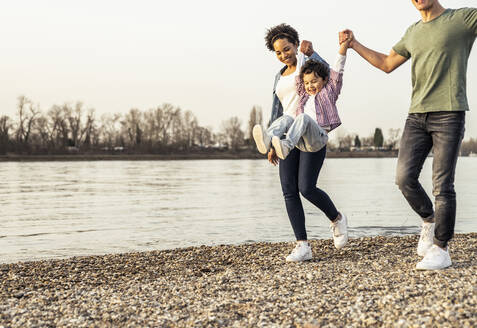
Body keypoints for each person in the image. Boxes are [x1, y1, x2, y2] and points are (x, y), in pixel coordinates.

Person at [340, 1, 477, 270]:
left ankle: (441, 248)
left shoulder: (462, 19)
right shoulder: (413, 32)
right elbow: (387, 63)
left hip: (449, 113)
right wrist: (355, 44)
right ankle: (429, 219)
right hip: (416, 115)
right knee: (403, 178)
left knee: (442, 186)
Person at [263, 23, 349, 262]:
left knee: (306, 188)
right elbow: (277, 110)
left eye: (287, 49)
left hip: (310, 133)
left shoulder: (304, 66)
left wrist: (310, 52)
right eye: (278, 52)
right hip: (285, 137)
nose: (283, 55)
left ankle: (336, 218)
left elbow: (328, 73)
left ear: (294, 44)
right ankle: (302, 245)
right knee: (289, 191)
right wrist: (271, 143)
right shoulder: (278, 78)